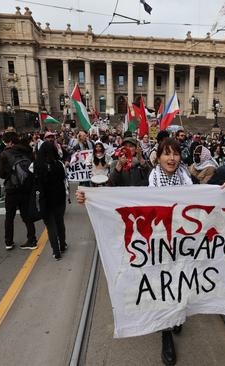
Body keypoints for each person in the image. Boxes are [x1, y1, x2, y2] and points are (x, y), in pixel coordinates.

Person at [75, 138, 188, 366]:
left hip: (182, 244)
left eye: (175, 153)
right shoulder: (142, 174)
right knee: (162, 286)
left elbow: (209, 196)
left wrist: (221, 190)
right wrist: (88, 196)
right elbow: (114, 195)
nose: (172, 158)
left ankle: (177, 315)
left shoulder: (186, 179)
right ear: (160, 156)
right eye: (167, 153)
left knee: (180, 283)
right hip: (154, 243)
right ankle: (166, 332)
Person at [0, 131, 37, 251]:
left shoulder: (5, 154)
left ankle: (8, 242)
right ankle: (32, 240)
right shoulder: (28, 150)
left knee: (9, 216)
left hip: (12, 188)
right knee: (27, 215)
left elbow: (1, 174)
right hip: (26, 187)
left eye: (5, 142)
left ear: (10, 142)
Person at [35, 134, 69, 261]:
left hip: (45, 199)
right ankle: (63, 244)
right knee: (60, 222)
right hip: (59, 198)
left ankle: (56, 251)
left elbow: (35, 182)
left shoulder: (37, 165)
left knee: (50, 226)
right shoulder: (58, 164)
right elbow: (63, 179)